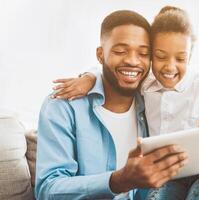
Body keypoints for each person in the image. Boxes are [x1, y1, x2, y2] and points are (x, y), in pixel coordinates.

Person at [51, 6, 199, 200]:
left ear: (190, 56)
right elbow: (112, 72)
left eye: (180, 58)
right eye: (161, 56)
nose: (170, 66)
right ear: (152, 55)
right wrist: (89, 77)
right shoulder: (145, 85)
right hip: (172, 176)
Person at [35, 10, 188, 200]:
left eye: (143, 53)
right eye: (120, 51)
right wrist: (118, 181)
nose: (132, 61)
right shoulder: (62, 106)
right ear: (100, 54)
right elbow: (48, 189)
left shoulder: (154, 101)